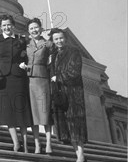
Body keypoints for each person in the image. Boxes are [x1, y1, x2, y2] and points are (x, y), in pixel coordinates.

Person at [0, 14, 32, 153]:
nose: (7, 27)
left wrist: (24, 63)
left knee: (21, 110)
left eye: (9, 25)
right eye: (4, 25)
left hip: (18, 77)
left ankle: (26, 144)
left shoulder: (21, 40)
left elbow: (26, 56)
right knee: (7, 111)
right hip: (3, 78)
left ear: (12, 25)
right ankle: (16, 143)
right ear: (0, 27)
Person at [50, 28, 88, 162]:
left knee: (76, 123)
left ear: (65, 38)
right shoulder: (54, 54)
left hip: (73, 93)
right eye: (56, 39)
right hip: (61, 94)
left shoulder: (74, 51)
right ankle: (78, 154)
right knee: (67, 125)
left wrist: (59, 77)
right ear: (53, 41)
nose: (59, 41)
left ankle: (81, 155)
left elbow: (75, 71)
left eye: (61, 38)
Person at [20, 17, 54, 154]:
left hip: (42, 79)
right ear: (28, 31)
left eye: (36, 27)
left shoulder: (48, 44)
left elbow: (52, 62)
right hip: (29, 80)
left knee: (45, 111)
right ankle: (37, 144)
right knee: (33, 114)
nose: (34, 30)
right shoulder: (26, 45)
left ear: (40, 28)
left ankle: (48, 143)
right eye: (31, 28)